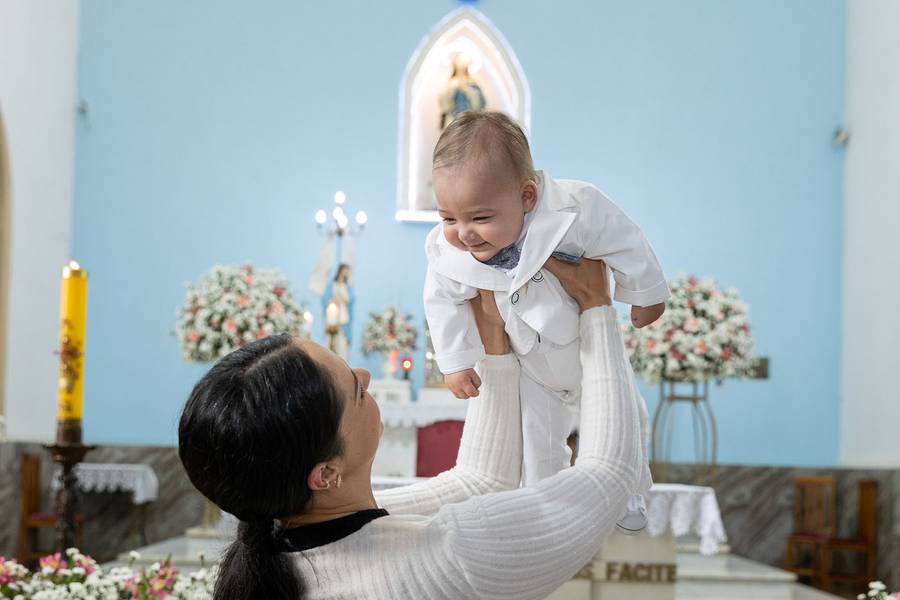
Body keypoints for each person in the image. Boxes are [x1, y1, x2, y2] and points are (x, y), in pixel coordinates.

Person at [178, 257, 648, 600]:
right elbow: (610, 473)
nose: (364, 376)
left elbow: (480, 483)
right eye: (353, 389)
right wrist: (597, 306)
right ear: (325, 472)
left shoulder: (290, 538)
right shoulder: (444, 557)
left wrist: (493, 347)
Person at [424, 111, 667, 531]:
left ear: (527, 197)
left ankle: (629, 496)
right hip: (531, 368)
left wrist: (646, 294)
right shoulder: (447, 255)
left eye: (480, 218)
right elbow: (441, 301)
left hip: (586, 350)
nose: (463, 233)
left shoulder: (576, 208)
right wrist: (456, 362)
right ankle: (546, 516)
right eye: (448, 218)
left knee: (620, 419)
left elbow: (625, 240)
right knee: (539, 448)